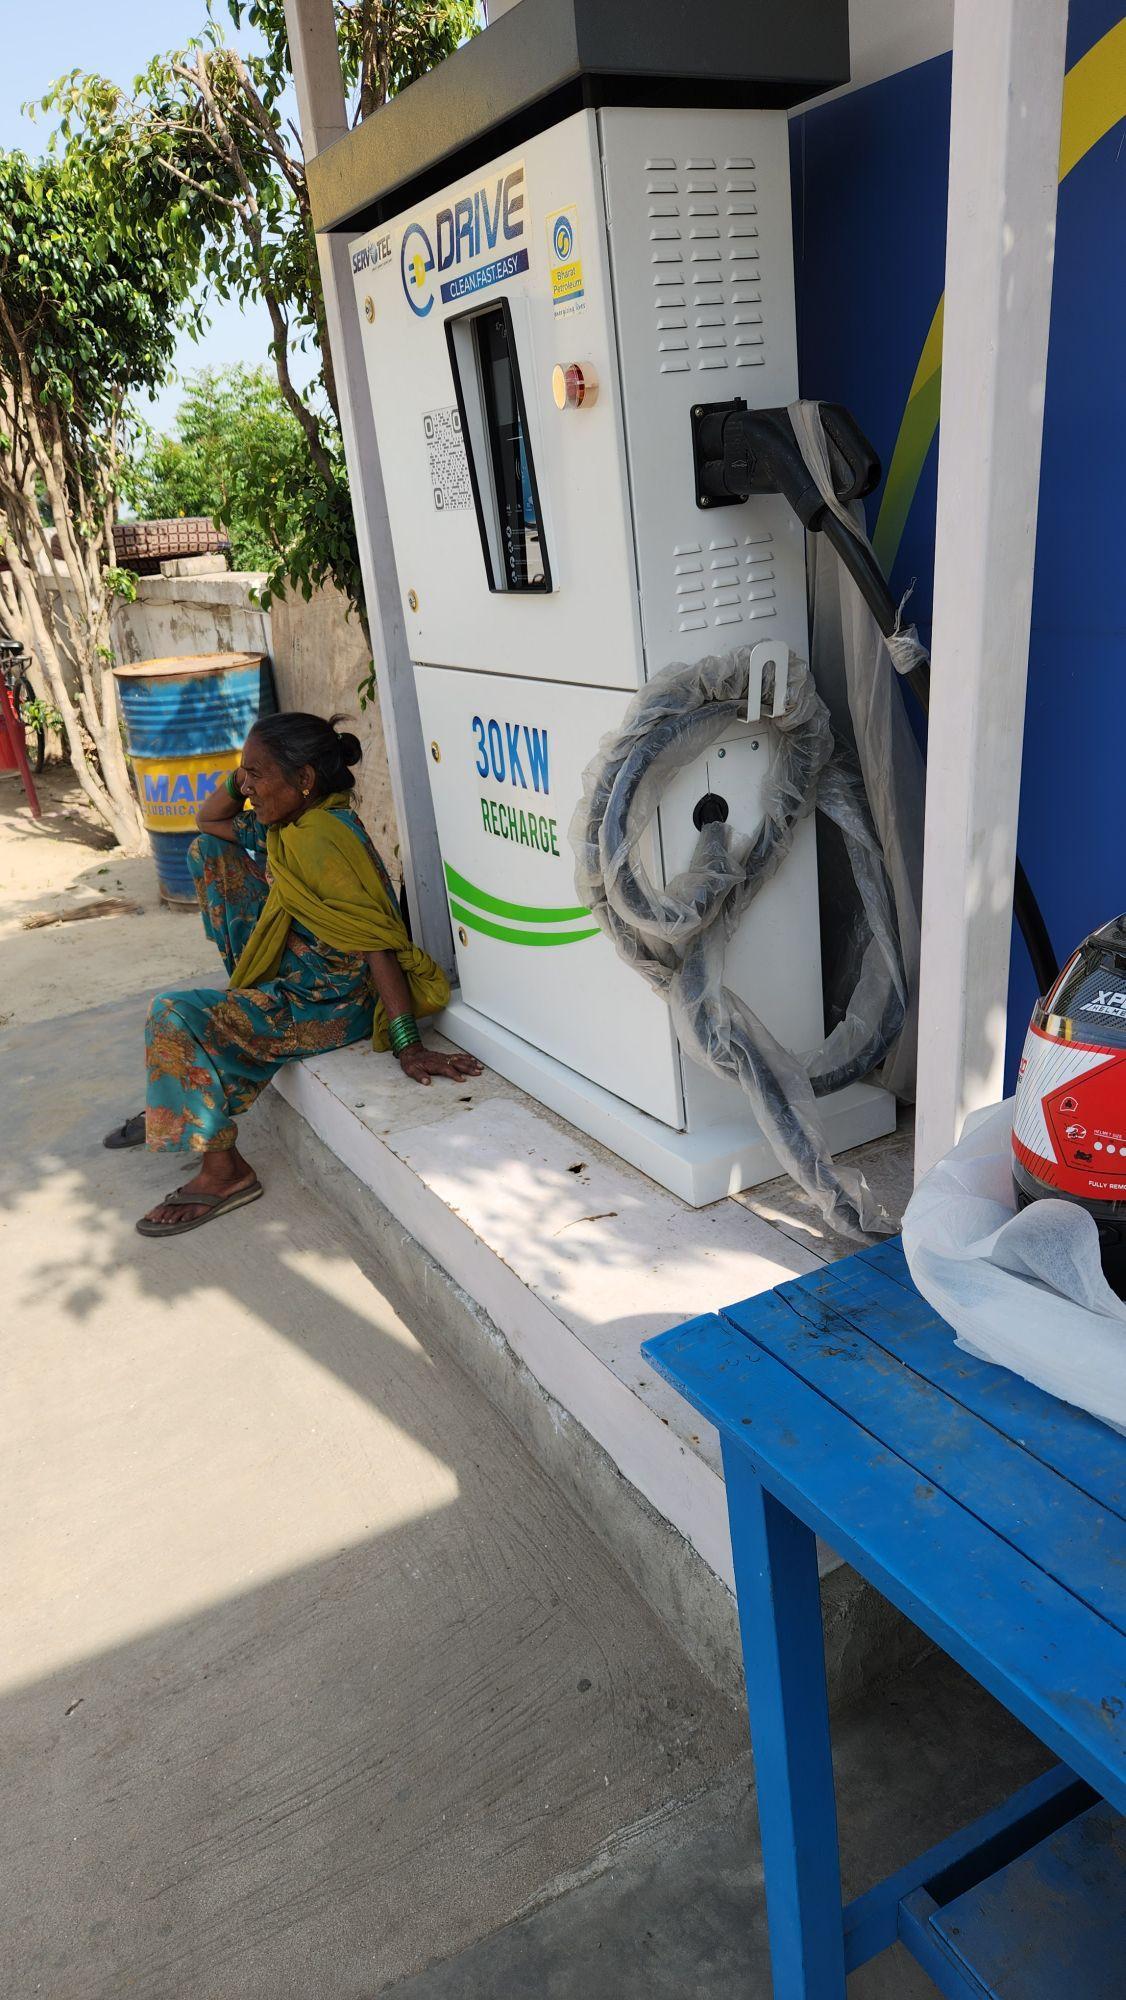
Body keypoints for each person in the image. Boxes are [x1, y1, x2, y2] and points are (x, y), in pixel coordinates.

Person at [103, 711, 481, 1238]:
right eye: (244, 774)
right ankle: (181, 1098)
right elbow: (208, 821)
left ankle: (225, 1172)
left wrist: (407, 1044)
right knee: (209, 851)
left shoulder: (319, 838)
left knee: (174, 1015)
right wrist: (244, 774)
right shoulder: (293, 822)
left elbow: (377, 943)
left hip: (330, 1003)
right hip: (301, 971)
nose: (246, 787)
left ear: (304, 778)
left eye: (257, 775)